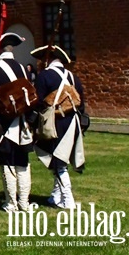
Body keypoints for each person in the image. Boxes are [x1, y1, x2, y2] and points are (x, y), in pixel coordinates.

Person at [32, 44, 85, 210]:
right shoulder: (72, 77)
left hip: (56, 123)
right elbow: (81, 102)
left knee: (58, 162)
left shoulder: (44, 76)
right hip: (73, 121)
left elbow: (38, 102)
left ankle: (68, 200)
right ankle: (56, 195)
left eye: (43, 59)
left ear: (47, 59)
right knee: (60, 159)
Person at [0, 33, 34, 212]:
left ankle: (11, 202)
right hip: (21, 122)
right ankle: (24, 202)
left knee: (7, 161)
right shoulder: (22, 68)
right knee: (22, 162)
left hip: (4, 123)